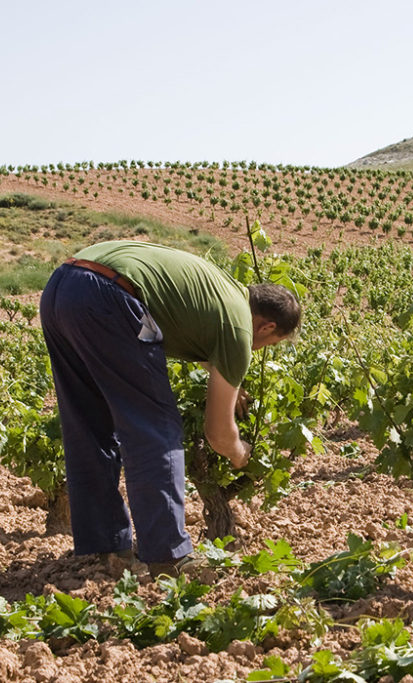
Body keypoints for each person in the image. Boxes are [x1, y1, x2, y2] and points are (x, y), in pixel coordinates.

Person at [38, 240, 301, 577]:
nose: (262, 349)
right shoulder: (239, 329)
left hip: (64, 286)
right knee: (155, 429)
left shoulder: (222, 290)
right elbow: (218, 434)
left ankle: (105, 547)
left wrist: (230, 386)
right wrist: (240, 454)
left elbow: (195, 330)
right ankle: (169, 556)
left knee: (88, 424)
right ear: (267, 327)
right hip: (111, 297)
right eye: (271, 344)